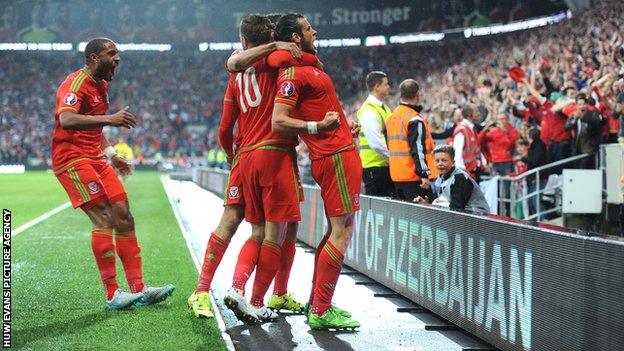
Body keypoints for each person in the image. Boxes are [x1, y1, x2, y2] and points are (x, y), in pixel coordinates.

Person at [187, 14, 314, 323]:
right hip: (275, 154)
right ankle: (252, 296)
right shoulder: (276, 60)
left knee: (242, 222)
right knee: (274, 230)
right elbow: (306, 57)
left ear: (244, 42)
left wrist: (233, 157)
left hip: (244, 157)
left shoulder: (237, 67)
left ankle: (204, 290)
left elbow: (223, 128)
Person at [52, 38, 174, 310]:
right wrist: (111, 119)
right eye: (112, 53)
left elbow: (94, 130)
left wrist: (111, 154)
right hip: (72, 159)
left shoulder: (103, 86)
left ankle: (140, 289)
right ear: (95, 57)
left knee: (123, 214)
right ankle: (113, 294)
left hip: (96, 158)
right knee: (104, 217)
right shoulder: (74, 84)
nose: (117, 58)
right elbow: (67, 120)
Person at [272, 13, 361, 330]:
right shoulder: (292, 73)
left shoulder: (310, 66)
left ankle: (318, 303)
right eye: (309, 28)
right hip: (332, 156)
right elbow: (278, 120)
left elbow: (324, 107)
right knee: (342, 231)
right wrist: (318, 126)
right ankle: (321, 311)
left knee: (337, 229)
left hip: (342, 151)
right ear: (296, 37)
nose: (315, 31)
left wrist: (345, 125)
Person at [386, 79, 437, 201]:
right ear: (417, 94)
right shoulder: (414, 119)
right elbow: (418, 149)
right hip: (414, 178)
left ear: (401, 94)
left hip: (397, 176)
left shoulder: (391, 117)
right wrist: (424, 174)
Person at [415, 145, 490, 213]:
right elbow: (438, 202)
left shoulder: (460, 178)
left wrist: (430, 206)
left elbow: (456, 208)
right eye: (437, 161)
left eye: (444, 160)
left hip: (477, 217)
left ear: (452, 162)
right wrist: (426, 204)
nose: (440, 164)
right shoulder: (438, 179)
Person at [356, 71, 394, 197]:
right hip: (375, 166)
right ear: (377, 86)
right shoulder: (368, 110)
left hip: (382, 165)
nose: (388, 87)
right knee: (379, 209)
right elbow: (376, 143)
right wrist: (393, 160)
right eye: (386, 84)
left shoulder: (385, 108)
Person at [564, 93, 603, 169]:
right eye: (579, 104)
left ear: (587, 104)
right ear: (576, 106)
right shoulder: (574, 115)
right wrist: (574, 120)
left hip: (590, 151)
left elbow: (597, 122)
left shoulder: (593, 113)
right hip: (577, 150)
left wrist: (583, 118)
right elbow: (566, 128)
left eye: (584, 104)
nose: (582, 106)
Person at [452, 104, 483, 179]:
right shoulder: (462, 130)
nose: (478, 113)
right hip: (466, 172)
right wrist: (462, 171)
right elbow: (457, 153)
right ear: (469, 114)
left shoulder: (472, 127)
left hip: (473, 169)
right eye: (476, 111)